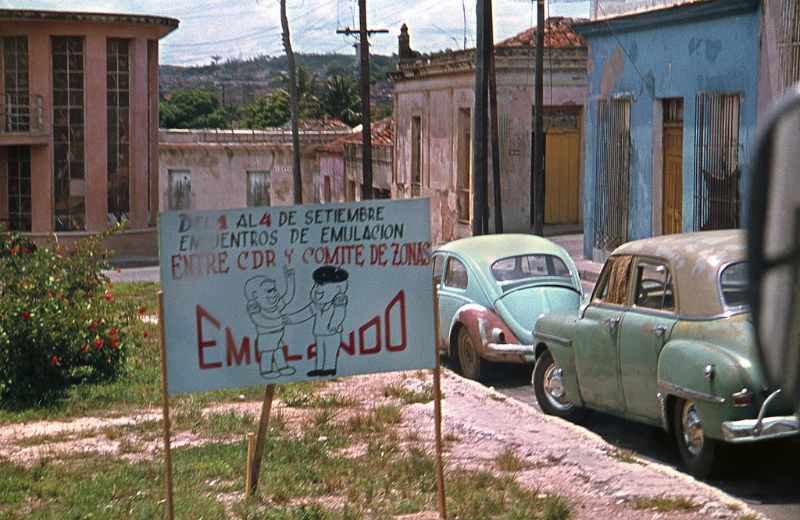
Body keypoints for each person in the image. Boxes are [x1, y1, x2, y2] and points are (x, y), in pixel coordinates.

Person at [285, 265, 349, 376]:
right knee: (320, 350)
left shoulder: (338, 301)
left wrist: (334, 323)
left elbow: (339, 313)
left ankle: (330, 368)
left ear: (338, 289)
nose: (317, 289)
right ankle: (319, 368)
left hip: (332, 333)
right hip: (319, 332)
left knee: (330, 351)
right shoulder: (317, 305)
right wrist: (290, 319)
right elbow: (305, 313)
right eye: (316, 285)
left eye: (321, 285)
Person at [244, 266, 295, 379]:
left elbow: (288, 296)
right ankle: (266, 370)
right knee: (267, 353)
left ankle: (282, 367)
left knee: (278, 351)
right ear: (255, 295)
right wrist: (280, 320)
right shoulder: (255, 307)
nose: (274, 293)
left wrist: (290, 278)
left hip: (278, 335)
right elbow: (260, 321)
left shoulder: (275, 306)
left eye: (274, 289)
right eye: (269, 291)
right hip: (266, 336)